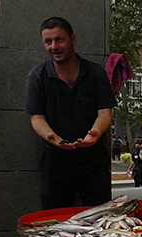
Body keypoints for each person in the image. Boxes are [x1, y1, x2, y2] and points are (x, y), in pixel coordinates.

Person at [25, 17, 116, 210]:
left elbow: (105, 113)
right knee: (56, 218)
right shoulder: (37, 76)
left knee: (100, 216)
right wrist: (52, 137)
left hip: (93, 158)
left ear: (72, 40)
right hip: (55, 159)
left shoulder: (95, 74)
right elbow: (37, 118)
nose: (54, 46)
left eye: (59, 40)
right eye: (48, 42)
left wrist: (95, 133)